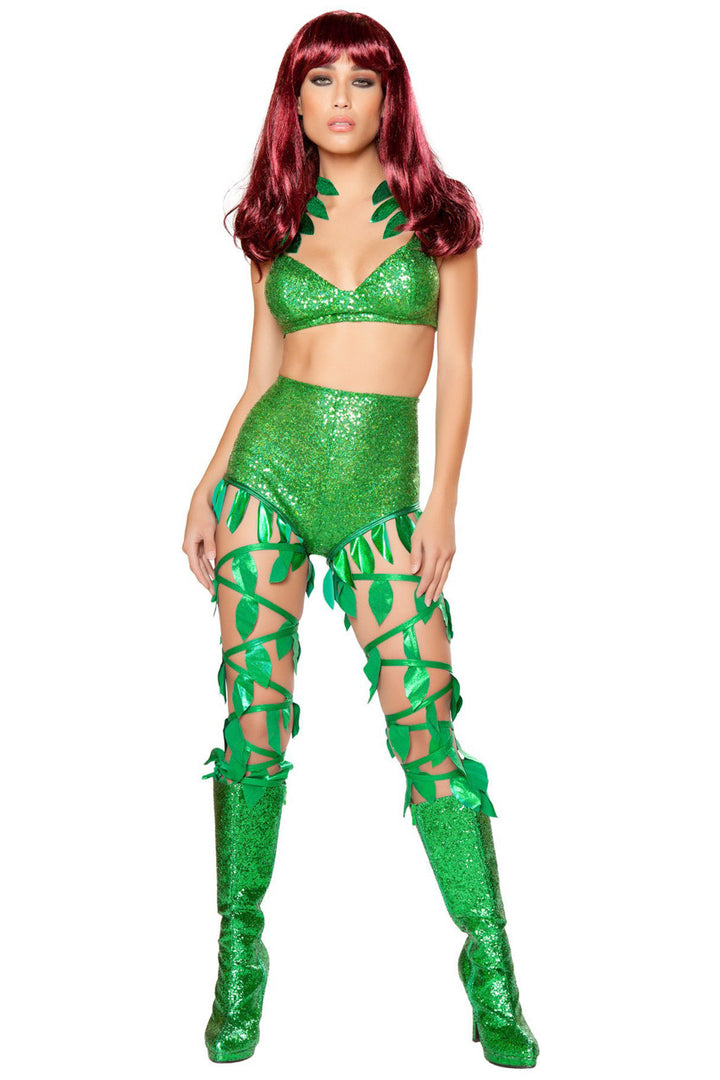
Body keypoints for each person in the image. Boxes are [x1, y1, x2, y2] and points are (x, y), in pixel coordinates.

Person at [182, 9, 540, 1070]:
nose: (341, 98)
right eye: (321, 80)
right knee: (253, 724)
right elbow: (260, 374)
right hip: (267, 482)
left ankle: (493, 973)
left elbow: (459, 371)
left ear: (391, 97)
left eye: (362, 79)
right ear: (293, 103)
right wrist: (208, 482)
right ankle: (238, 959)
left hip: (385, 496)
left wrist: (444, 508)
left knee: (428, 728)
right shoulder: (270, 222)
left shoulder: (443, 219)